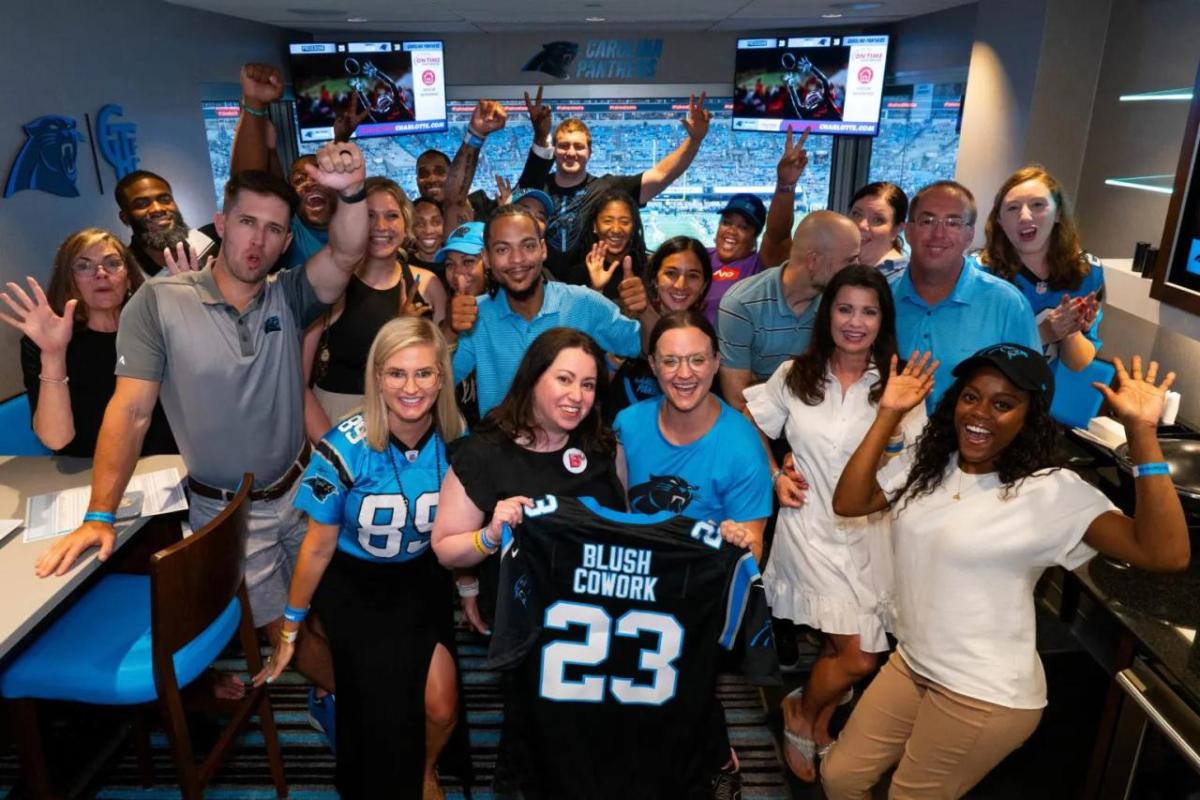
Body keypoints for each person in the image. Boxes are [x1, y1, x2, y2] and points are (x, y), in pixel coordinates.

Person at [34, 144, 367, 663]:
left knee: (322, 596)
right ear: (220, 224)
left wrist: (351, 191)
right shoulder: (160, 302)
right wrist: (100, 512)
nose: (257, 240)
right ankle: (358, 715)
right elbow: (131, 411)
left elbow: (346, 252)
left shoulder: (290, 294)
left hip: (303, 486)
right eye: (246, 222)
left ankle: (344, 702)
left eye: (274, 229)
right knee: (278, 627)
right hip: (230, 508)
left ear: (285, 243)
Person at [822, 345, 1188, 798]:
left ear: (1029, 416)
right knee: (841, 776)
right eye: (971, 397)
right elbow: (850, 502)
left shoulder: (1051, 491)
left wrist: (1142, 434)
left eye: (1003, 404)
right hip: (915, 661)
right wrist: (888, 414)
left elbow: (1165, 554)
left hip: (983, 691)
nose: (980, 414)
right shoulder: (930, 463)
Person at [255, 317, 465, 800]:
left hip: (420, 581)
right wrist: (291, 626)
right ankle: (336, 705)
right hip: (355, 587)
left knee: (441, 707)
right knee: (378, 713)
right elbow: (317, 545)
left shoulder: (456, 437)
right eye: (396, 374)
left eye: (424, 373)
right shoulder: (342, 449)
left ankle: (425, 769)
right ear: (376, 377)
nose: (411, 387)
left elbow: (459, 523)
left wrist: (469, 587)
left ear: (441, 377)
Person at [742, 266, 925, 782]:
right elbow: (751, 423)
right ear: (828, 315)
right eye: (845, 309)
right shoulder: (794, 375)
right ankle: (800, 712)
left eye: (869, 311)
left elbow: (912, 464)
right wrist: (776, 473)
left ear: (883, 320)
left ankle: (816, 713)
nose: (855, 322)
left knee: (837, 644)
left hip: (873, 535)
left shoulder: (900, 384)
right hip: (810, 531)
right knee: (859, 657)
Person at [614, 309, 772, 797]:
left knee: (683, 691)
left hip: (700, 594)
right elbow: (616, 508)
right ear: (652, 366)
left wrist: (736, 540)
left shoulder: (742, 445)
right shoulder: (627, 423)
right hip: (637, 578)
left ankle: (718, 758)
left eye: (697, 360)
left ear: (717, 361)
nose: (685, 374)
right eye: (671, 362)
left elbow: (753, 551)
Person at [449, 205, 645, 418]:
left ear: (543, 249)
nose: (517, 260)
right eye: (503, 249)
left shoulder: (583, 303)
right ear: (486, 258)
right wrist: (449, 331)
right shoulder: (477, 316)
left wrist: (646, 311)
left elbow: (646, 346)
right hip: (501, 446)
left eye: (528, 246)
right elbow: (440, 380)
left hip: (572, 447)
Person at [2, 228, 174, 457]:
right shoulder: (44, 342)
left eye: (113, 263)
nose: (101, 273)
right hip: (85, 470)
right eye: (84, 266)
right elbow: (56, 439)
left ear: (129, 277)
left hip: (163, 464)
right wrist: (54, 355)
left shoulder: (156, 327)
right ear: (69, 281)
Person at [304, 177, 448, 436]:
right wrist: (332, 452)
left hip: (409, 424)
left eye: (392, 215)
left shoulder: (427, 286)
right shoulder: (330, 284)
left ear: (406, 225)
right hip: (337, 423)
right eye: (368, 216)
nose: (381, 226)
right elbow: (298, 385)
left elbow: (443, 374)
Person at [517, 92, 712, 281]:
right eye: (564, 145)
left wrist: (694, 140)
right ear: (555, 150)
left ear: (590, 152)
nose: (571, 152)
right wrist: (540, 136)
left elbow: (660, 175)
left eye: (578, 146)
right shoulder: (536, 190)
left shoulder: (606, 188)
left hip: (590, 289)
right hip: (542, 287)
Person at [891, 181, 1041, 409]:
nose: (938, 233)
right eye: (927, 221)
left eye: (953, 223)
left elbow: (1030, 395)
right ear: (909, 231)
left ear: (969, 235)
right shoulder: (880, 298)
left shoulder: (1007, 305)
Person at [717, 210, 861, 412]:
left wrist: (764, 387)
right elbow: (739, 399)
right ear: (814, 261)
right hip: (761, 427)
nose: (857, 268)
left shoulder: (841, 303)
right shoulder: (742, 303)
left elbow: (841, 387)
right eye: (850, 260)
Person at [979, 166, 1103, 371]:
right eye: (1012, 208)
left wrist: (1070, 329)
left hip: (1037, 397)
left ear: (1058, 214)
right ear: (999, 221)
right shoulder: (979, 273)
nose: (1025, 216)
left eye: (1037, 205)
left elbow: (1078, 363)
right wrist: (1043, 333)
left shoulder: (1085, 271)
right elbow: (969, 355)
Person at [232, 63, 339, 270]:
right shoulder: (289, 230)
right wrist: (255, 106)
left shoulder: (355, 223)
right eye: (299, 180)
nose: (308, 184)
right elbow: (249, 186)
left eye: (316, 176)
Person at [705, 128, 811, 326]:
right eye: (726, 222)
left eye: (743, 227)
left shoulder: (760, 267)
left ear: (755, 237)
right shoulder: (700, 256)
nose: (730, 231)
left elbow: (778, 234)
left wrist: (785, 186)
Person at [606, 235, 712, 419]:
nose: (681, 285)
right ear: (655, 278)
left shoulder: (707, 335)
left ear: (704, 285)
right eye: (671, 273)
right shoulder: (621, 316)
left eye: (692, 276)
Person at [113, 170, 219, 276]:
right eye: (141, 204)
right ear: (125, 218)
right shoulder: (127, 273)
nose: (157, 209)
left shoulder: (213, 239)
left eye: (165, 199)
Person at [436, 221, 488, 429]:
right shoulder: (445, 323)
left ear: (490, 262)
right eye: (450, 264)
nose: (457, 274)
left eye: (468, 261)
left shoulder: (509, 314)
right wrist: (450, 328)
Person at [576, 188, 650, 298]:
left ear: (634, 227)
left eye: (624, 222)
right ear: (595, 226)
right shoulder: (578, 273)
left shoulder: (649, 269)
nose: (616, 229)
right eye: (607, 221)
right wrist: (596, 289)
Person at [848, 181, 908, 278]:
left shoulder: (902, 281)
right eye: (856, 214)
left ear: (897, 230)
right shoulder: (841, 269)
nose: (861, 225)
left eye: (877, 220)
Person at [411, 196, 447, 275]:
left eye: (436, 222)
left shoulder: (456, 263)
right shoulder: (404, 267)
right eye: (419, 224)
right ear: (410, 229)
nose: (428, 231)